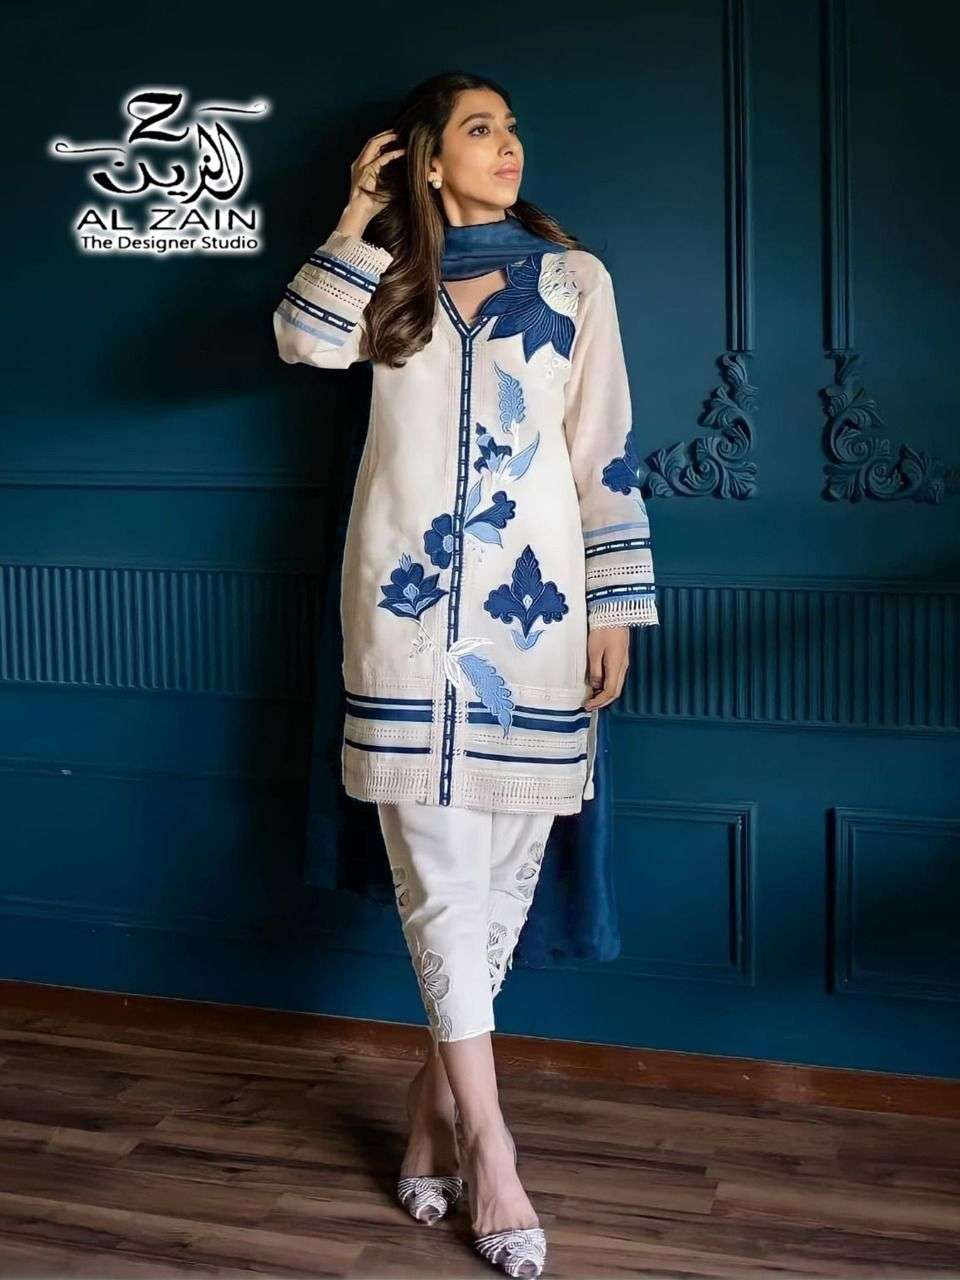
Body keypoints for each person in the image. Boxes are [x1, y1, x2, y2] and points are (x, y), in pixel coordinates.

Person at [274, 71, 660, 1279]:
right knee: (436, 882)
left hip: (535, 627)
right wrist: (356, 215)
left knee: (496, 891)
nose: (509, 144)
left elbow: (606, 454)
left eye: (512, 127)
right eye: (480, 129)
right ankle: (494, 1147)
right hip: (402, 616)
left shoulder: (576, 280)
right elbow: (302, 340)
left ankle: (432, 1103)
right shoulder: (389, 279)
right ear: (429, 161)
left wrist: (616, 606)